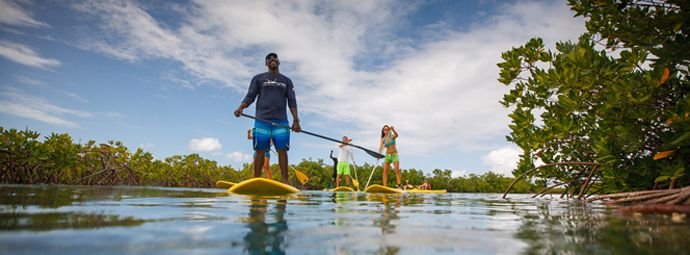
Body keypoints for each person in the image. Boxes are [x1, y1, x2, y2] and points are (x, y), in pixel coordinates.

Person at [234, 52, 301, 184]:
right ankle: (256, 180)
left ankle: (285, 181)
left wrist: (296, 120)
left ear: (278, 61)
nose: (272, 59)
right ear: (266, 63)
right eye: (269, 58)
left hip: (281, 121)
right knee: (259, 150)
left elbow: (292, 101)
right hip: (262, 120)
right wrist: (242, 107)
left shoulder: (287, 81)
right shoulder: (258, 78)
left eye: (275, 57)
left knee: (282, 150)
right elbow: (250, 95)